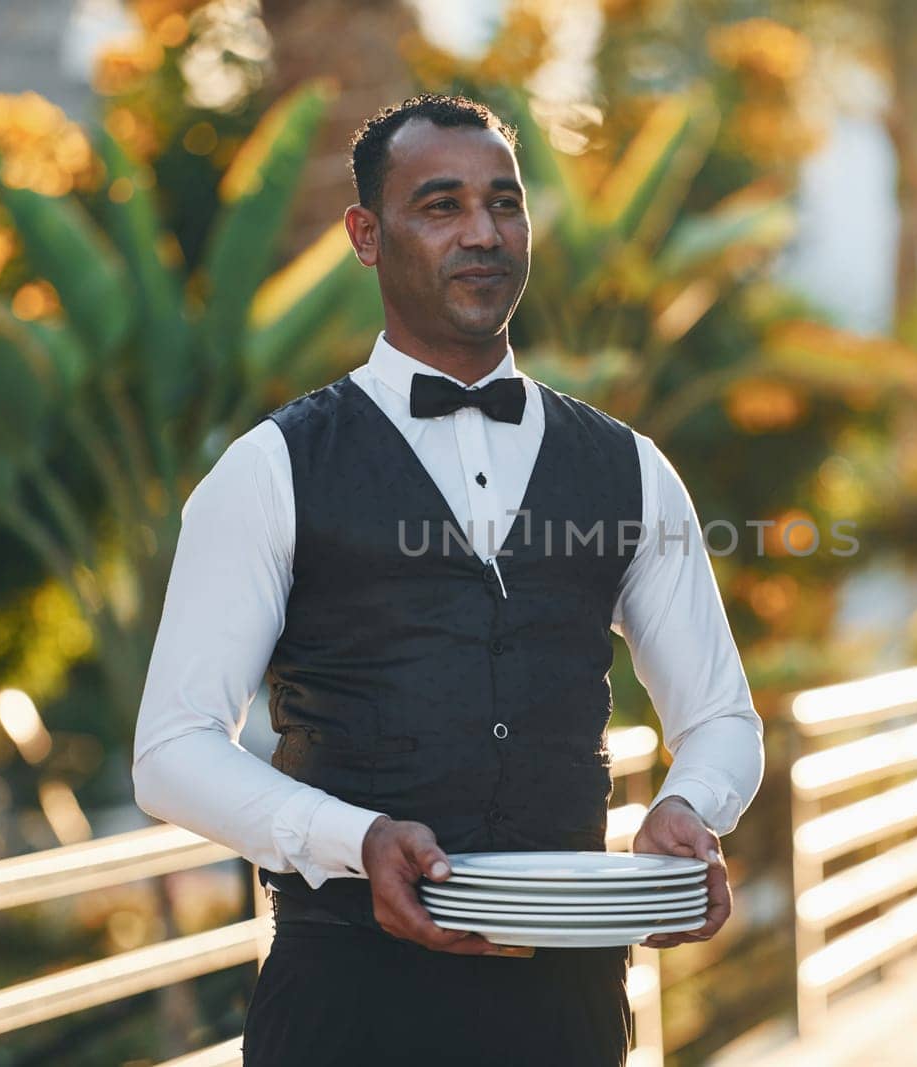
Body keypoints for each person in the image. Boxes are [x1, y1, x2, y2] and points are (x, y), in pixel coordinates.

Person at [131, 94, 764, 1066]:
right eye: (440, 205)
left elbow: (720, 714)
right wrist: (356, 836)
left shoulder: (629, 467)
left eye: (504, 204)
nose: (482, 232)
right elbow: (171, 750)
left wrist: (691, 809)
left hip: (567, 1006)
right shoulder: (270, 469)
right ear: (365, 234)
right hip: (347, 1004)